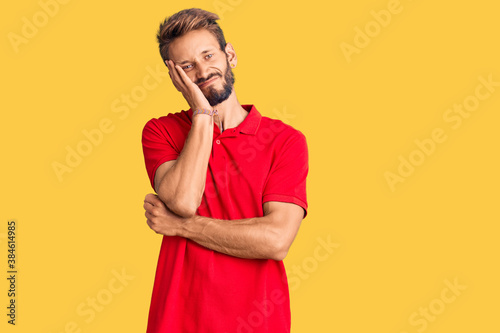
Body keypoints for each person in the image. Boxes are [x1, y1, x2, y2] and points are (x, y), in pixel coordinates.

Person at [141, 8, 309, 333]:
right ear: (175, 76)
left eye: (208, 55)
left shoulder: (285, 141)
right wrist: (202, 114)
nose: (203, 71)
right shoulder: (160, 132)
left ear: (229, 54)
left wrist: (181, 227)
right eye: (188, 66)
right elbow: (183, 201)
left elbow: (276, 240)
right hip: (176, 322)